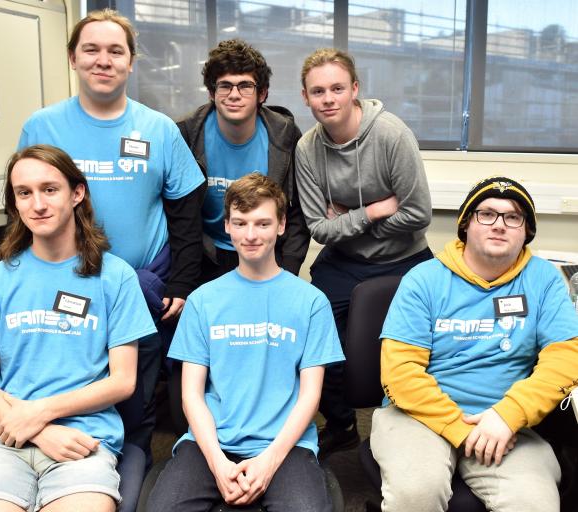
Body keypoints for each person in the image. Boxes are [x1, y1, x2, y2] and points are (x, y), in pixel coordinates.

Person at [18, 9, 206, 459]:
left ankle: (129, 465)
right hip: (70, 280)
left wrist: (182, 283)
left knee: (136, 392)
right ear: (72, 59)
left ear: (131, 62)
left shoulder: (158, 128)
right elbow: (26, 202)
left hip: (142, 284)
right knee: (77, 380)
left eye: (115, 51)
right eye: (92, 50)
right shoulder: (43, 126)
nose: (104, 60)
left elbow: (186, 211)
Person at [0, 145, 157, 512]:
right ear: (14, 204)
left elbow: (123, 381)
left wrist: (40, 411)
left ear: (77, 194)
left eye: (50, 189)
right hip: (2, 437)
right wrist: (40, 429)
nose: (38, 204)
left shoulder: (117, 277)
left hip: (82, 439)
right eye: (24, 193)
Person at [371, 176, 578, 511]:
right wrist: (461, 431)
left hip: (505, 422)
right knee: (417, 493)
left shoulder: (544, 280)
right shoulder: (424, 280)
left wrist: (508, 415)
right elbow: (400, 373)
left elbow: (566, 358)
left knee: (534, 502)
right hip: (417, 416)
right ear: (466, 224)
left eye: (513, 217)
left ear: (526, 232)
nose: (499, 225)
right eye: (487, 214)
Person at [147, 173, 344, 511]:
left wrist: (268, 463)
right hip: (211, 441)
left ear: (281, 225)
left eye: (262, 223)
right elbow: (191, 394)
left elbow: (311, 396)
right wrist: (218, 464)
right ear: (227, 226)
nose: (251, 235)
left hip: (285, 443)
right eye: (240, 223)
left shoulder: (311, 302)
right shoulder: (202, 300)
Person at [295, 47, 433, 457]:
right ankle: (340, 426)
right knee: (314, 336)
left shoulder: (392, 135)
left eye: (337, 88)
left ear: (355, 89)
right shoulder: (307, 149)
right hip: (342, 262)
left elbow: (418, 214)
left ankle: (411, 427)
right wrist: (372, 210)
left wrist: (348, 222)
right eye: (318, 91)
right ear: (305, 97)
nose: (328, 99)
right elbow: (319, 228)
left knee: (414, 345)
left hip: (404, 259)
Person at [177, 38, 310, 283]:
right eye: (225, 86)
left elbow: (298, 212)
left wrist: (288, 269)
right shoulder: (186, 135)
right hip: (206, 259)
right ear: (211, 93)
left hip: (269, 258)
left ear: (262, 93)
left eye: (245, 86)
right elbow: (178, 214)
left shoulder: (286, 136)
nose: (234, 95)